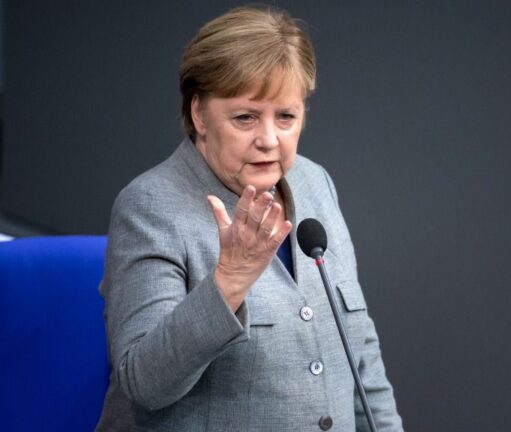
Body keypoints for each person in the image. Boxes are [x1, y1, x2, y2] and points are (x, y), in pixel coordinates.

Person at [96, 6, 403, 431]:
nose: (268, 139)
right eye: (245, 117)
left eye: (286, 117)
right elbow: (143, 383)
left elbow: (360, 353)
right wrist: (229, 282)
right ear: (200, 113)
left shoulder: (315, 183)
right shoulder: (150, 207)